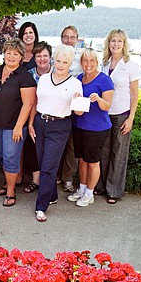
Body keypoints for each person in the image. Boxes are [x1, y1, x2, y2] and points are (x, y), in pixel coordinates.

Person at [29, 45, 83, 222]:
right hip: (40, 122)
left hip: (59, 125)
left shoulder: (75, 84)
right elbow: (36, 103)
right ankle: (52, 195)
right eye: (58, 60)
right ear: (54, 60)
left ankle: (41, 206)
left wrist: (77, 101)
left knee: (48, 166)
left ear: (70, 64)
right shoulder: (44, 79)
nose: (60, 65)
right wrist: (31, 123)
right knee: (42, 161)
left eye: (65, 62)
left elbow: (80, 112)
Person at [0, 39, 36, 207]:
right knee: (2, 155)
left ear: (21, 56)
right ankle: (7, 183)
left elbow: (28, 104)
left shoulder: (25, 76)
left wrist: (18, 127)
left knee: (11, 157)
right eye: (8, 52)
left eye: (15, 54)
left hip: (14, 127)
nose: (11, 56)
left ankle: (10, 191)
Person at [67, 48, 114, 207]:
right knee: (82, 161)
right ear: (81, 63)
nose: (88, 64)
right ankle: (82, 188)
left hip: (97, 128)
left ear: (97, 62)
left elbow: (107, 105)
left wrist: (99, 99)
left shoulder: (104, 80)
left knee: (93, 162)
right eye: (85, 61)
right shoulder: (79, 78)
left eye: (92, 61)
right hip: (79, 125)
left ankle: (90, 193)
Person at [97, 29, 139, 204]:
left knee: (118, 153)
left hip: (121, 114)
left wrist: (130, 118)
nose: (115, 44)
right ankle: (100, 186)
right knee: (104, 152)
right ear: (108, 43)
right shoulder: (104, 63)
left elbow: (135, 94)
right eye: (113, 40)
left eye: (119, 41)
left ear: (124, 44)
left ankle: (114, 191)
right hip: (104, 113)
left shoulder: (131, 64)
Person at [22, 41, 53, 194]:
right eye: (38, 56)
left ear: (50, 57)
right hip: (33, 115)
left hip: (53, 118)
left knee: (49, 151)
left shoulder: (56, 73)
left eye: (45, 55)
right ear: (34, 57)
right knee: (32, 149)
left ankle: (49, 183)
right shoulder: (29, 74)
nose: (42, 59)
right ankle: (35, 181)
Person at [56, 25, 83, 193]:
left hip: (75, 108)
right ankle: (56, 175)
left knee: (72, 146)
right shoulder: (58, 56)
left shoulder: (81, 58)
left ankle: (68, 178)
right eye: (66, 37)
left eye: (72, 37)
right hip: (59, 108)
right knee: (58, 144)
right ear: (61, 38)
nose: (69, 40)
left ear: (77, 39)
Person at [17, 21, 39, 188]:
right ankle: (17, 173)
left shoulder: (39, 54)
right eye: (25, 33)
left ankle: (33, 177)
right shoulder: (17, 53)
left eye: (31, 32)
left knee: (31, 143)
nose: (28, 36)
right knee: (17, 141)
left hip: (34, 104)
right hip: (16, 102)